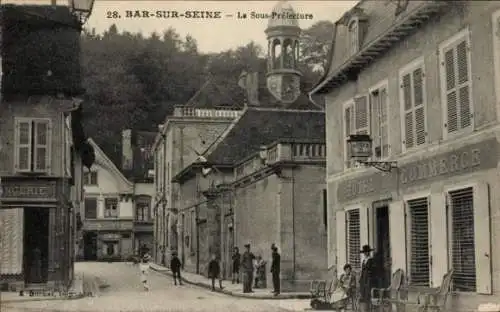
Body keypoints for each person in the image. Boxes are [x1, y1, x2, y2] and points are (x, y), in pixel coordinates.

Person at [359, 245, 376, 312]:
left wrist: (369, 275)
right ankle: (364, 309)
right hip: (363, 279)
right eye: (364, 252)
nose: (366, 253)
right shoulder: (363, 261)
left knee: (368, 294)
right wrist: (361, 279)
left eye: (367, 252)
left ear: (369, 252)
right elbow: (362, 271)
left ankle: (368, 309)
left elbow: (373, 270)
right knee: (363, 293)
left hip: (369, 279)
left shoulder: (371, 260)